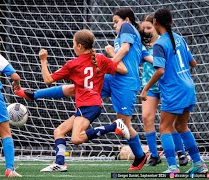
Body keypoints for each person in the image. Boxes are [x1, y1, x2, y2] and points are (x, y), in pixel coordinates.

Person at [15, 7, 150, 171]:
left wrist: (111, 54)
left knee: (124, 125)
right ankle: (34, 95)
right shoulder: (123, 38)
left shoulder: (127, 28)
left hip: (125, 83)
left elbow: (125, 56)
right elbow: (143, 57)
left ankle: (140, 156)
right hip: (113, 78)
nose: (114, 26)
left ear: (127, 20)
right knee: (79, 87)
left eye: (116, 22)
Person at [140, 8, 208, 173]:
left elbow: (160, 71)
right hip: (188, 87)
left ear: (155, 23)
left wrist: (146, 89)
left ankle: (172, 167)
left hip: (174, 89)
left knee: (164, 128)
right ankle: (198, 164)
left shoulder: (159, 44)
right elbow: (194, 63)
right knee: (181, 126)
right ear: (171, 22)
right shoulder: (180, 39)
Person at [139, 13, 189, 167]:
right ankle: (154, 155)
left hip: (168, 86)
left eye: (149, 27)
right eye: (143, 28)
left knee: (169, 123)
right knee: (147, 117)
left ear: (156, 25)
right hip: (151, 87)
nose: (146, 30)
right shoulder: (142, 46)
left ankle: (180, 152)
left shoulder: (166, 43)